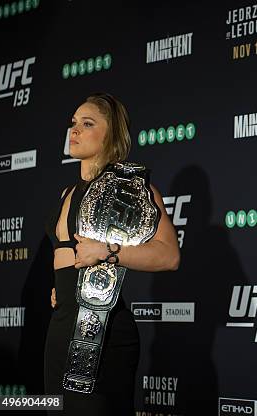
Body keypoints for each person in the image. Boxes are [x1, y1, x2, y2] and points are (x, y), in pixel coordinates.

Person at [44, 92, 180, 415]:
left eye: (87, 123)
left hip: (102, 333)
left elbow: (169, 255)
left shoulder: (130, 187)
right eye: (73, 123)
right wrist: (62, 286)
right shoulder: (67, 192)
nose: (74, 130)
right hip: (61, 327)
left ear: (111, 134)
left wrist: (108, 251)